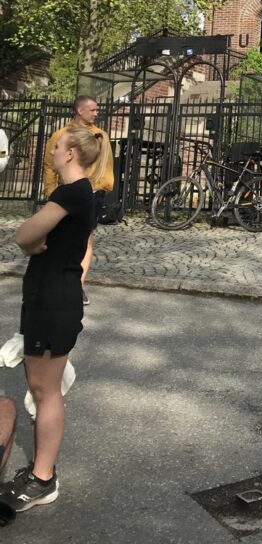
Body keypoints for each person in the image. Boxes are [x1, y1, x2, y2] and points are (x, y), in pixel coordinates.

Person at [3, 125, 106, 512]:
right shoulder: (77, 194)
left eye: (57, 146)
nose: (52, 151)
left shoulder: (71, 192)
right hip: (49, 298)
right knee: (41, 387)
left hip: (53, 302)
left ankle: (43, 478)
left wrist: (31, 242)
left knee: (46, 393)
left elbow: (24, 235)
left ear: (71, 155)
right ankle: (39, 472)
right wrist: (33, 243)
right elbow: (41, 241)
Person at [43, 96, 113, 306]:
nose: (96, 113)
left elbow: (106, 163)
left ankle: (77, 285)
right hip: (64, 191)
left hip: (92, 192)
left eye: (96, 109)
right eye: (92, 109)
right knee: (58, 237)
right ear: (79, 110)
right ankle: (56, 279)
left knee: (86, 238)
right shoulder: (62, 135)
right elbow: (49, 164)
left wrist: (103, 185)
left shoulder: (100, 135)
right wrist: (51, 192)